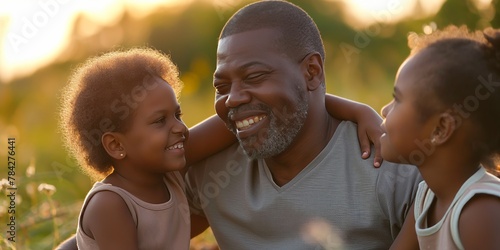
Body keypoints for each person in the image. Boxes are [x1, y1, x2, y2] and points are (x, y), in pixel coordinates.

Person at [55, 45, 386, 249]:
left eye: (178, 114)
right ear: (115, 144)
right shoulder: (110, 205)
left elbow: (277, 105)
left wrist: (357, 111)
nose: (180, 129)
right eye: (160, 121)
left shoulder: (170, 166)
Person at [185, 1, 422, 249]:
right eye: (221, 87)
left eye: (254, 77)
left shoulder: (388, 169)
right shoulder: (211, 175)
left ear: (312, 71)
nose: (232, 98)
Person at [383, 26, 500, 250]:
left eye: (396, 99)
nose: (384, 110)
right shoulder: (427, 196)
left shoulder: (481, 210)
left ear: (440, 129)